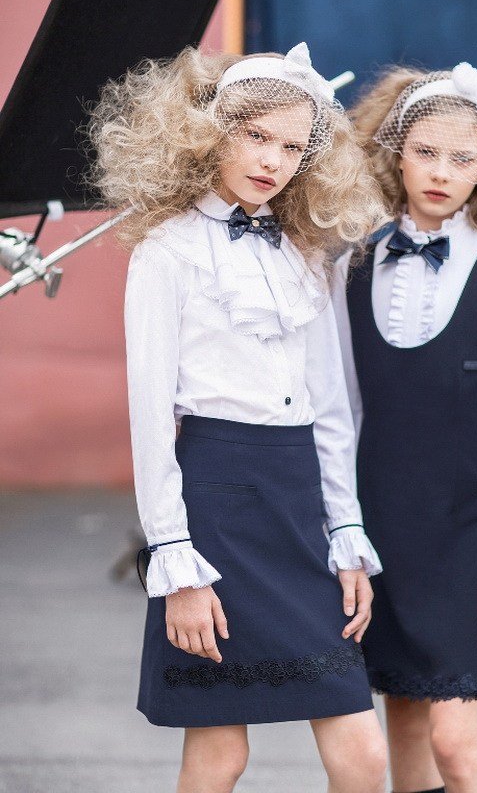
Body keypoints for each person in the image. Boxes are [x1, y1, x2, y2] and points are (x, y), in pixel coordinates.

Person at [88, 42, 388, 793]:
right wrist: (175, 565)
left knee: (361, 754)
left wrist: (346, 534)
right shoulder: (167, 251)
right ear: (210, 131)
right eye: (257, 136)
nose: (273, 160)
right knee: (221, 756)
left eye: (293, 146)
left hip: (300, 505)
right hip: (215, 507)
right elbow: (149, 418)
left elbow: (330, 410)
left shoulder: (303, 253)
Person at [332, 62, 477, 793]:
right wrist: (343, 532)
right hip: (381, 534)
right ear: (395, 152)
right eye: (426, 151)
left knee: (455, 742)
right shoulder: (353, 264)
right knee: (402, 715)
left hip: (467, 540)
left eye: (463, 159)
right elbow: (344, 412)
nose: (440, 172)